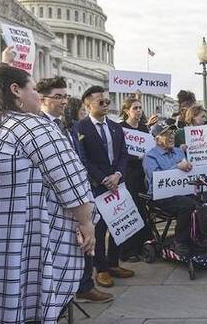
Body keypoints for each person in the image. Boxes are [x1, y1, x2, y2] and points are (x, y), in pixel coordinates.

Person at [0, 65, 95, 323]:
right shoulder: (30, 125)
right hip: (14, 243)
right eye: (35, 89)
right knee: (14, 305)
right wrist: (85, 222)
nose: (39, 97)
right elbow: (71, 179)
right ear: (16, 90)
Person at [36, 77, 113, 305]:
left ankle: (83, 286)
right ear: (42, 99)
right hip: (58, 199)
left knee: (84, 243)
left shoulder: (66, 125)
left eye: (65, 96)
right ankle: (70, 292)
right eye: (58, 97)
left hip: (79, 193)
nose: (63, 101)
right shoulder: (40, 126)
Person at [75, 86, 134, 288]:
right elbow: (83, 159)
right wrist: (103, 179)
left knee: (119, 223)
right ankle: (101, 269)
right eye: (101, 102)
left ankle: (114, 262)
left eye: (108, 102)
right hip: (97, 185)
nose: (106, 105)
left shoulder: (116, 127)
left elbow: (124, 155)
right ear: (88, 104)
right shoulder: (80, 127)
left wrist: (117, 175)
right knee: (99, 229)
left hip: (117, 183)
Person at [142, 119, 198, 255]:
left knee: (203, 203)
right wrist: (177, 167)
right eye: (166, 134)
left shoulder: (179, 151)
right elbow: (156, 178)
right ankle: (179, 241)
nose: (172, 136)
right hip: (160, 196)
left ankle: (197, 238)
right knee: (188, 205)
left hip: (180, 192)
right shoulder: (150, 156)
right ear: (157, 139)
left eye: (172, 132)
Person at [119, 97, 154, 263]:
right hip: (127, 175)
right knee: (131, 210)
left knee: (142, 210)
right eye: (135, 108)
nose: (139, 111)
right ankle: (127, 250)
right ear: (127, 111)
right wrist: (135, 156)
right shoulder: (121, 128)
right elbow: (120, 152)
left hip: (142, 174)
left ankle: (141, 246)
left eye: (140, 108)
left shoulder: (143, 128)